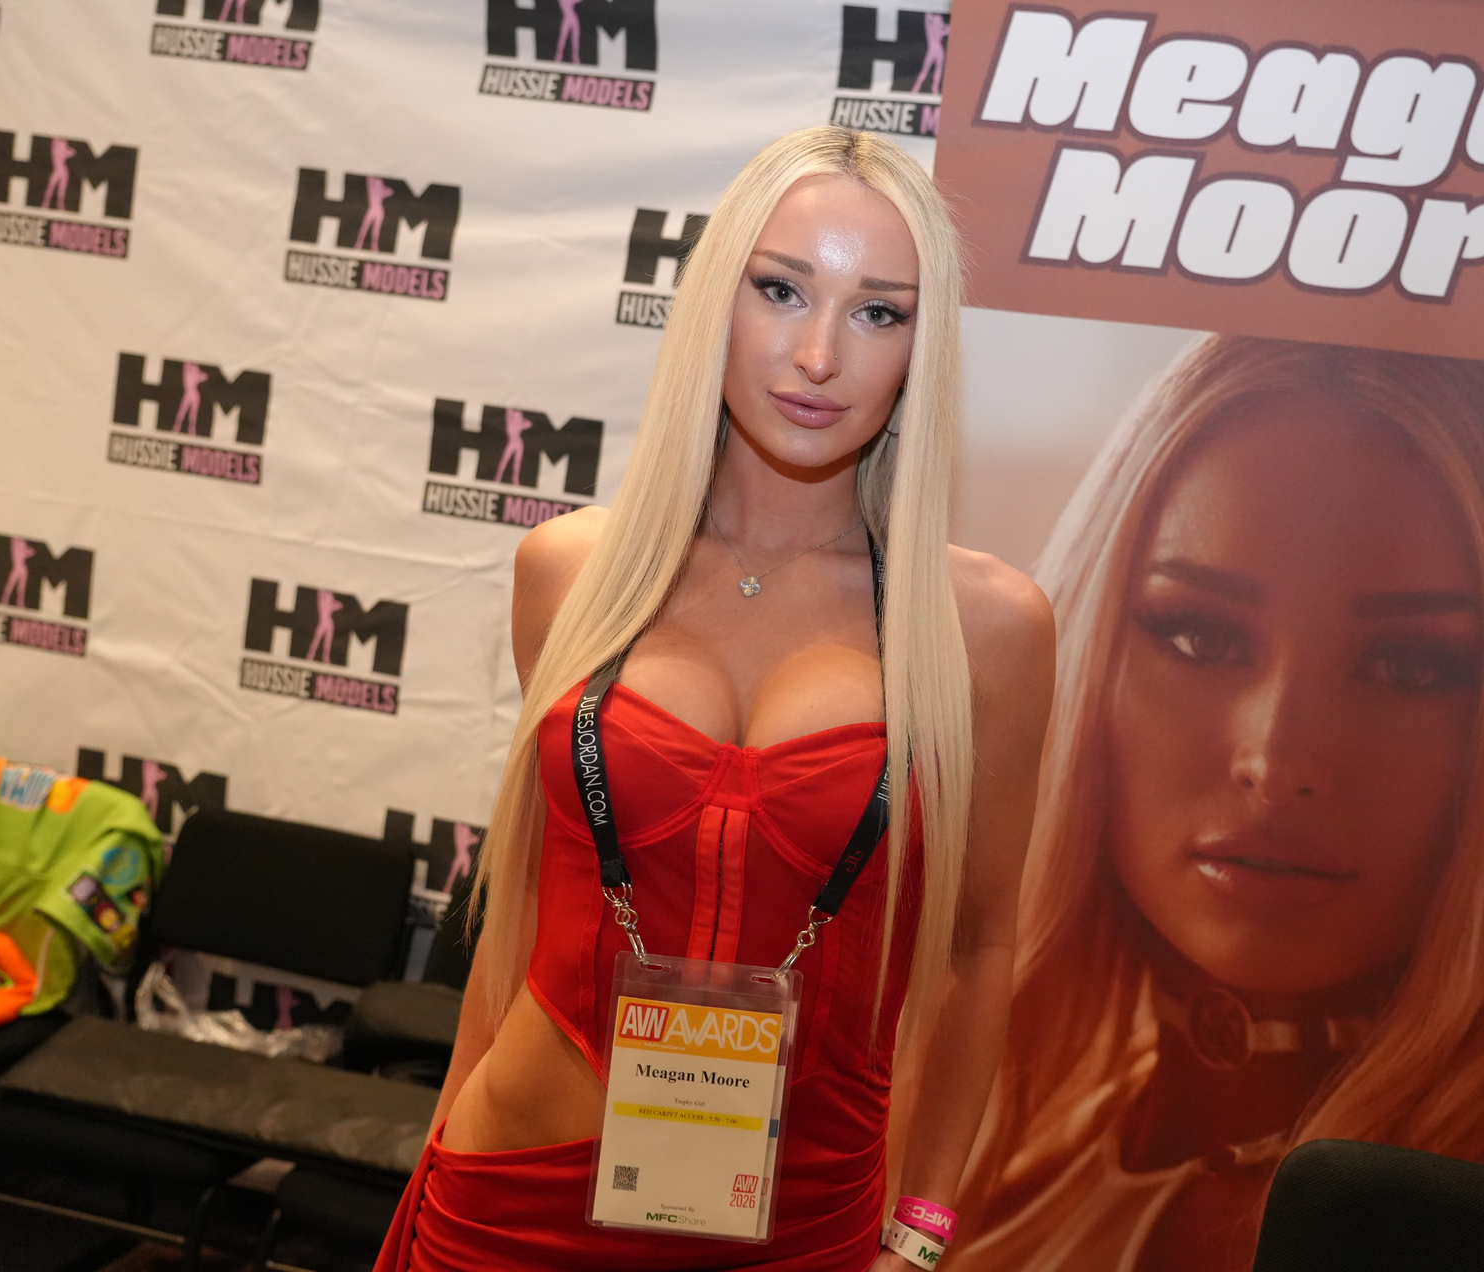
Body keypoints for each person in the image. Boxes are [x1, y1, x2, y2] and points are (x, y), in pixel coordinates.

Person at [375, 126, 1053, 1272]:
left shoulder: (984, 627)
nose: (820, 354)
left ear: (921, 348)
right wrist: (438, 1153)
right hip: (510, 1202)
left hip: (797, 1225)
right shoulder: (571, 572)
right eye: (781, 290)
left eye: (878, 312)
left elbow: (981, 945)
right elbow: (523, 911)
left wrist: (924, 1227)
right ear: (711, 304)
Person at [950, 335, 1484, 1271]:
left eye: (1408, 666)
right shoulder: (1007, 1144)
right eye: (1199, 636)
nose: (1275, 762)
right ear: (1092, 656)